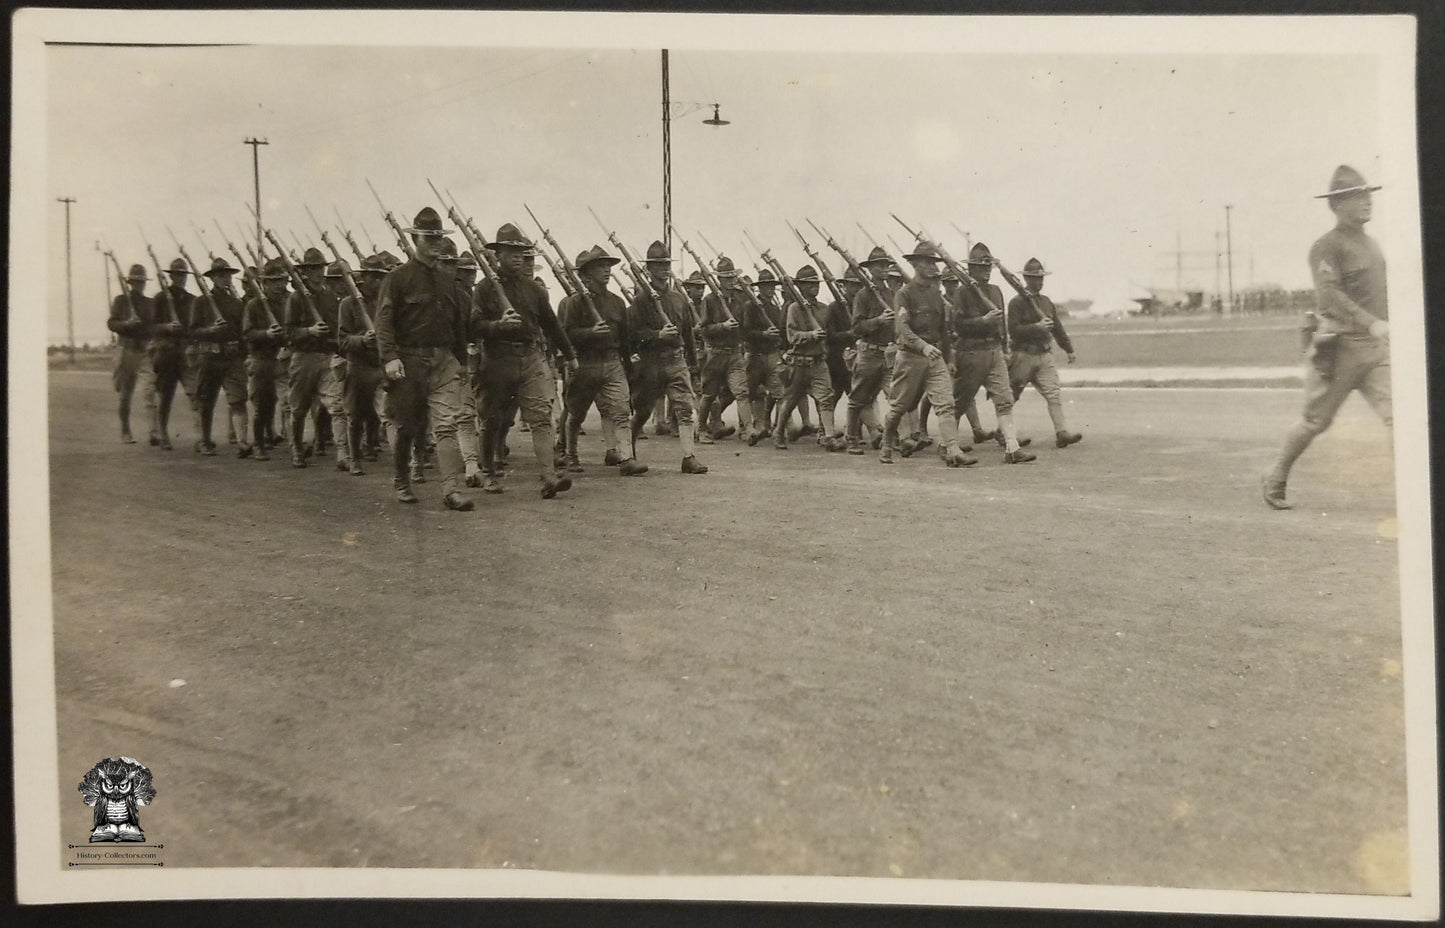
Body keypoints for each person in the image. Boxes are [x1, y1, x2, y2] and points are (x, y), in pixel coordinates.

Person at [1262, 165, 1391, 510]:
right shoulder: (1326, 247)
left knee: (1399, 417)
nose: (1367, 202)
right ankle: (1275, 476)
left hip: (1377, 351)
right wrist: (1371, 322)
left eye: (1368, 195)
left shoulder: (1373, 245)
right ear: (1338, 205)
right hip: (1340, 349)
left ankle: (1413, 493)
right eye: (1358, 197)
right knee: (1315, 421)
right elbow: (1331, 296)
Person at [375, 208, 473, 510]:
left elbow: (457, 326)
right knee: (407, 426)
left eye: (438, 237)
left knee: (446, 424)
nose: (434, 242)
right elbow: (384, 322)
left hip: (443, 362)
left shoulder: (447, 281)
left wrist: (462, 362)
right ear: (414, 238)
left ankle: (451, 490)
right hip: (409, 362)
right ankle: (402, 479)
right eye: (427, 237)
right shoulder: (397, 279)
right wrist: (390, 358)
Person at [472, 221, 579, 498]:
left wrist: (570, 356)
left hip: (531, 357)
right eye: (510, 252)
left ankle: (548, 476)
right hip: (498, 358)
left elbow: (552, 325)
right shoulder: (484, 288)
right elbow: (472, 326)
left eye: (521, 252)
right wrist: (497, 326)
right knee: (494, 419)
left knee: (541, 416)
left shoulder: (534, 289)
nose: (517, 257)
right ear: (498, 255)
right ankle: (488, 472)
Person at [878, 243, 975, 467]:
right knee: (899, 406)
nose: (932, 267)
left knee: (945, 403)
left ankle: (953, 449)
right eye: (927, 263)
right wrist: (923, 346)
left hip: (934, 356)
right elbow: (902, 328)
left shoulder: (935, 294)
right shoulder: (904, 294)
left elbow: (943, 330)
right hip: (910, 357)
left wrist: (949, 358)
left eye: (933, 262)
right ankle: (886, 443)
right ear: (914, 265)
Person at [557, 245, 646, 476]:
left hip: (612, 362)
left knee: (621, 410)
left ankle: (627, 458)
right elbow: (566, 335)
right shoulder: (575, 302)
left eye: (608, 266)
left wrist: (628, 367)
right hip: (586, 363)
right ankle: (571, 455)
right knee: (576, 413)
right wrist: (589, 333)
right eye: (600, 267)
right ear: (587, 274)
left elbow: (625, 338)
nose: (606, 270)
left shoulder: (617, 302)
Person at [624, 241, 708, 474]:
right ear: (648, 269)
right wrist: (657, 335)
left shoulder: (678, 299)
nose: (663, 269)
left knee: (684, 408)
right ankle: (628, 453)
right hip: (651, 362)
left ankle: (688, 456)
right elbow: (633, 335)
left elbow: (688, 333)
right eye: (657, 265)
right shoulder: (640, 300)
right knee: (643, 411)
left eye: (665, 264)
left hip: (675, 360)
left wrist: (693, 364)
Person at [951, 243, 1035, 464]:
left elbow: (1003, 324)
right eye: (980, 267)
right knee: (960, 401)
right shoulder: (962, 293)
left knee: (1005, 398)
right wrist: (982, 321)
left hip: (994, 351)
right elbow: (957, 325)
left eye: (988, 267)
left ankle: (1012, 448)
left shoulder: (996, 291)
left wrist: (1005, 349)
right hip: (971, 351)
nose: (986, 271)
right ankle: (947, 446)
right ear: (971, 269)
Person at [1006, 257, 1082, 449]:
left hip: (1044, 355)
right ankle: (1003, 433)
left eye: (1041, 278)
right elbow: (1013, 330)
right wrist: (1037, 327)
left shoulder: (1046, 302)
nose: (1039, 282)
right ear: (1026, 279)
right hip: (1023, 355)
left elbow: (1057, 328)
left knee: (1053, 394)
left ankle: (1061, 432)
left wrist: (1068, 348)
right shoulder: (1016, 303)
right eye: (1034, 278)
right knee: (1011, 397)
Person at [773, 266, 843, 451]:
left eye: (815, 283)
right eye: (809, 284)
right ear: (801, 286)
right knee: (790, 401)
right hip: (799, 363)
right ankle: (779, 432)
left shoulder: (824, 309)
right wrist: (811, 335)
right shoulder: (794, 309)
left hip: (818, 362)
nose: (814, 287)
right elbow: (791, 335)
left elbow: (829, 333)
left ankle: (828, 436)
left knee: (826, 398)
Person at [282, 247, 336, 468]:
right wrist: (310, 331)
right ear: (305, 272)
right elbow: (288, 333)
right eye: (313, 269)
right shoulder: (296, 299)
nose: (318, 273)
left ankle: (342, 452)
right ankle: (296, 447)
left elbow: (337, 327)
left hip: (326, 357)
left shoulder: (330, 297)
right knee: (299, 407)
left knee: (336, 405)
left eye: (320, 268)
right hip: (304, 357)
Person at [191, 257, 251, 458]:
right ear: (213, 278)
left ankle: (242, 442)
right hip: (210, 356)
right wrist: (210, 330)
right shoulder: (201, 302)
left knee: (238, 399)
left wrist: (243, 354)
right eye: (221, 276)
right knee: (206, 400)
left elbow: (243, 332)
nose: (226, 279)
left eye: (228, 275)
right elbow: (193, 331)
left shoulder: (237, 303)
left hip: (232, 357)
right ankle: (205, 440)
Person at [337, 254, 388, 477]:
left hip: (382, 365)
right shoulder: (348, 304)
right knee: (355, 415)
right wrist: (362, 340)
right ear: (363, 277)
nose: (377, 282)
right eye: (372, 277)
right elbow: (342, 339)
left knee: (387, 413)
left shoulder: (386, 303)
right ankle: (354, 458)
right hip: (358, 366)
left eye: (380, 277)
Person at [842, 248, 895, 454]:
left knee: (896, 397)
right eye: (880, 265)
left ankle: (891, 438)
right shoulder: (863, 295)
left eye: (886, 265)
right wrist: (879, 321)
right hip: (869, 354)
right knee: (858, 399)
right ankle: (852, 438)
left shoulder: (891, 294)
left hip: (888, 354)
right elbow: (856, 328)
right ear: (870, 269)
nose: (884, 269)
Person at [697, 256, 752, 443]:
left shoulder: (739, 300)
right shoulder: (710, 300)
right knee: (709, 394)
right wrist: (722, 326)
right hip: (715, 354)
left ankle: (749, 430)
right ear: (718, 280)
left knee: (742, 392)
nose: (730, 281)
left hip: (735, 353)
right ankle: (702, 429)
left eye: (732, 277)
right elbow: (702, 330)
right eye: (726, 278)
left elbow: (744, 327)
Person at [242, 260, 290, 461]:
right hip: (262, 358)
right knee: (263, 405)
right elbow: (247, 333)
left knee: (289, 402)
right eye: (274, 281)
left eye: (281, 280)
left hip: (283, 358)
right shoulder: (254, 304)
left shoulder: (289, 301)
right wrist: (266, 334)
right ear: (265, 284)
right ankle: (259, 445)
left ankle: (294, 444)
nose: (279, 285)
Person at [105, 263, 157, 444]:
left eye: (141, 282)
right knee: (126, 394)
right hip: (126, 350)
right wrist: (126, 324)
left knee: (150, 391)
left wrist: (143, 327)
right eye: (136, 281)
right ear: (130, 282)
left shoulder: (149, 303)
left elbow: (152, 327)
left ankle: (153, 431)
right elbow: (112, 323)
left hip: (144, 352)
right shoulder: (121, 301)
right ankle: (125, 430)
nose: (139, 285)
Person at [742, 268, 788, 445]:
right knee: (754, 393)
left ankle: (779, 429)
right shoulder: (751, 306)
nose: (770, 289)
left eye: (772, 285)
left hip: (772, 355)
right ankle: (758, 426)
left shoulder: (774, 308)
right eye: (766, 286)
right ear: (759, 288)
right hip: (755, 355)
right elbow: (745, 332)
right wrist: (763, 334)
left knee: (780, 393)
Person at [150, 258, 193, 450]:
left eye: (183, 275)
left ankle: (202, 437)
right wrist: (166, 326)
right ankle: (163, 434)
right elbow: (150, 326)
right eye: (177, 275)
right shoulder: (160, 298)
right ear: (171, 276)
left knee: (195, 393)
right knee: (166, 396)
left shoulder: (192, 299)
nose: (181, 279)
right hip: (166, 351)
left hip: (186, 352)